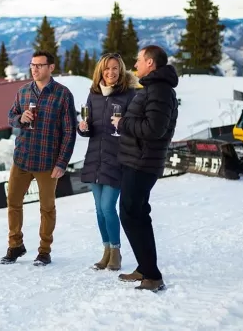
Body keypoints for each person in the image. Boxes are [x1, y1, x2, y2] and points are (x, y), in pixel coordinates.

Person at [112, 45, 178, 292]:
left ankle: (152, 274)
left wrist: (123, 123)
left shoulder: (159, 90)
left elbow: (154, 129)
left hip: (143, 162)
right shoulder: (153, 88)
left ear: (150, 63)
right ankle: (144, 267)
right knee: (137, 214)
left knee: (130, 214)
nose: (135, 64)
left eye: (138, 59)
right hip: (137, 160)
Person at [2, 50, 77, 266]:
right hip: (22, 158)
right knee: (13, 203)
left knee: (47, 207)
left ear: (51, 67)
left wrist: (62, 163)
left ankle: (44, 250)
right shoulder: (23, 91)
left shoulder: (63, 94)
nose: (34, 69)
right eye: (32, 65)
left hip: (47, 161)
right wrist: (20, 118)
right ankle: (15, 245)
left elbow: (69, 131)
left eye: (40, 65)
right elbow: (10, 117)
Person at [76, 53, 138, 271]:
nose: (110, 73)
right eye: (106, 69)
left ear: (120, 70)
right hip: (95, 157)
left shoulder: (130, 95)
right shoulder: (93, 95)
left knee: (108, 207)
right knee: (99, 210)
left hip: (117, 158)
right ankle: (106, 251)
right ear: (100, 72)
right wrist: (83, 128)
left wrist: (123, 125)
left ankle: (116, 251)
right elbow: (90, 126)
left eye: (114, 69)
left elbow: (134, 129)